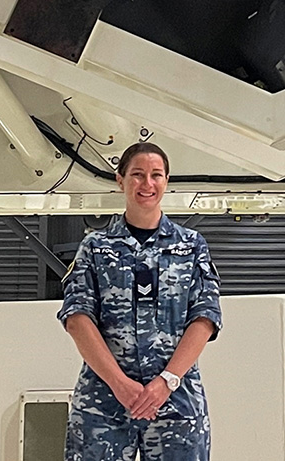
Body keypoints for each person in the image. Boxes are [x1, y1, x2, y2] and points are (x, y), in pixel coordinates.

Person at [58, 141, 222, 461]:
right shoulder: (95, 247)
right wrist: (119, 384)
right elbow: (77, 318)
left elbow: (205, 318)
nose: (147, 184)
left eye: (156, 175)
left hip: (176, 401)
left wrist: (166, 381)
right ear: (120, 181)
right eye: (137, 175)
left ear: (166, 181)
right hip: (103, 402)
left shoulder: (191, 246)